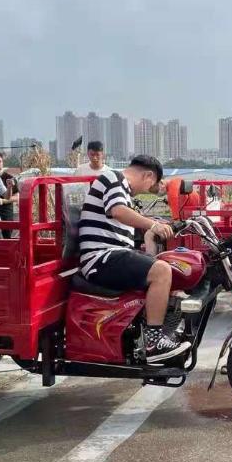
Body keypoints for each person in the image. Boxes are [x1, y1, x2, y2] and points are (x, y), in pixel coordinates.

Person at [75, 155, 188, 362]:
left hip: (111, 254)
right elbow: (118, 211)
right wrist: (152, 225)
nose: (145, 191)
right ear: (148, 175)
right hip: (101, 257)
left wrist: (156, 224)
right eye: (150, 186)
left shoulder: (121, 188)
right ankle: (154, 343)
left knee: (167, 263)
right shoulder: (112, 178)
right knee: (162, 271)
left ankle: (160, 327)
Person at [0, 151, 17, 238]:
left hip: (6, 214)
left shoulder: (9, 178)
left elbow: (17, 196)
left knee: (7, 239)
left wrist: (3, 201)